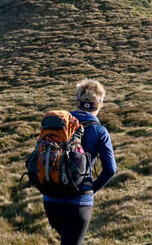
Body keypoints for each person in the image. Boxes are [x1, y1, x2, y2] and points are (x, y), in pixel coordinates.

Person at [37, 79, 117, 245]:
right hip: (78, 203)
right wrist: (91, 190)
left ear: (77, 102)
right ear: (99, 104)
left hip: (51, 200)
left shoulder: (58, 126)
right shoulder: (99, 131)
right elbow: (110, 169)